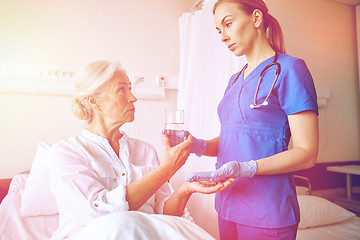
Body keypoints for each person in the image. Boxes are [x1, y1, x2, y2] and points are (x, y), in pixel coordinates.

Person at [47, 60, 234, 240]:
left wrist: (185, 189)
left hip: (146, 233)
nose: (133, 97)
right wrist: (167, 169)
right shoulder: (66, 153)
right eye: (122, 89)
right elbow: (100, 213)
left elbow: (166, 214)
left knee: (185, 228)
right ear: (94, 102)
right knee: (124, 223)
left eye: (130, 88)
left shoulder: (145, 150)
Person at [185, 0, 319, 239]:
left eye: (228, 24)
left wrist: (248, 168)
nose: (223, 37)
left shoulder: (290, 69)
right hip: (228, 204)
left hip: (266, 210)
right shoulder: (234, 80)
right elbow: (235, 138)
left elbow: (307, 152)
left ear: (256, 19)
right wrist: (199, 145)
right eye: (219, 31)